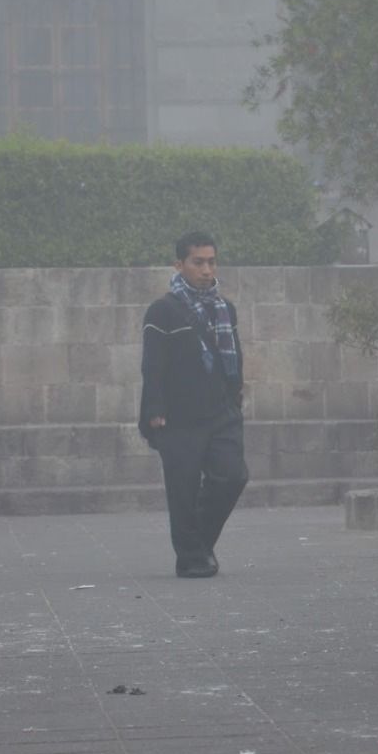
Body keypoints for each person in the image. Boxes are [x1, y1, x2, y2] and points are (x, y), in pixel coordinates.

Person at [139, 232, 249, 578]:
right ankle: (191, 557)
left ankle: (197, 542)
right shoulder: (163, 311)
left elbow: (234, 357)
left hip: (221, 413)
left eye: (211, 261)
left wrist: (234, 400)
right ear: (180, 265)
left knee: (233, 476)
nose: (206, 269)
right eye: (198, 262)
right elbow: (152, 365)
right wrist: (154, 411)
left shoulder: (224, 308)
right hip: (178, 416)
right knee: (183, 488)